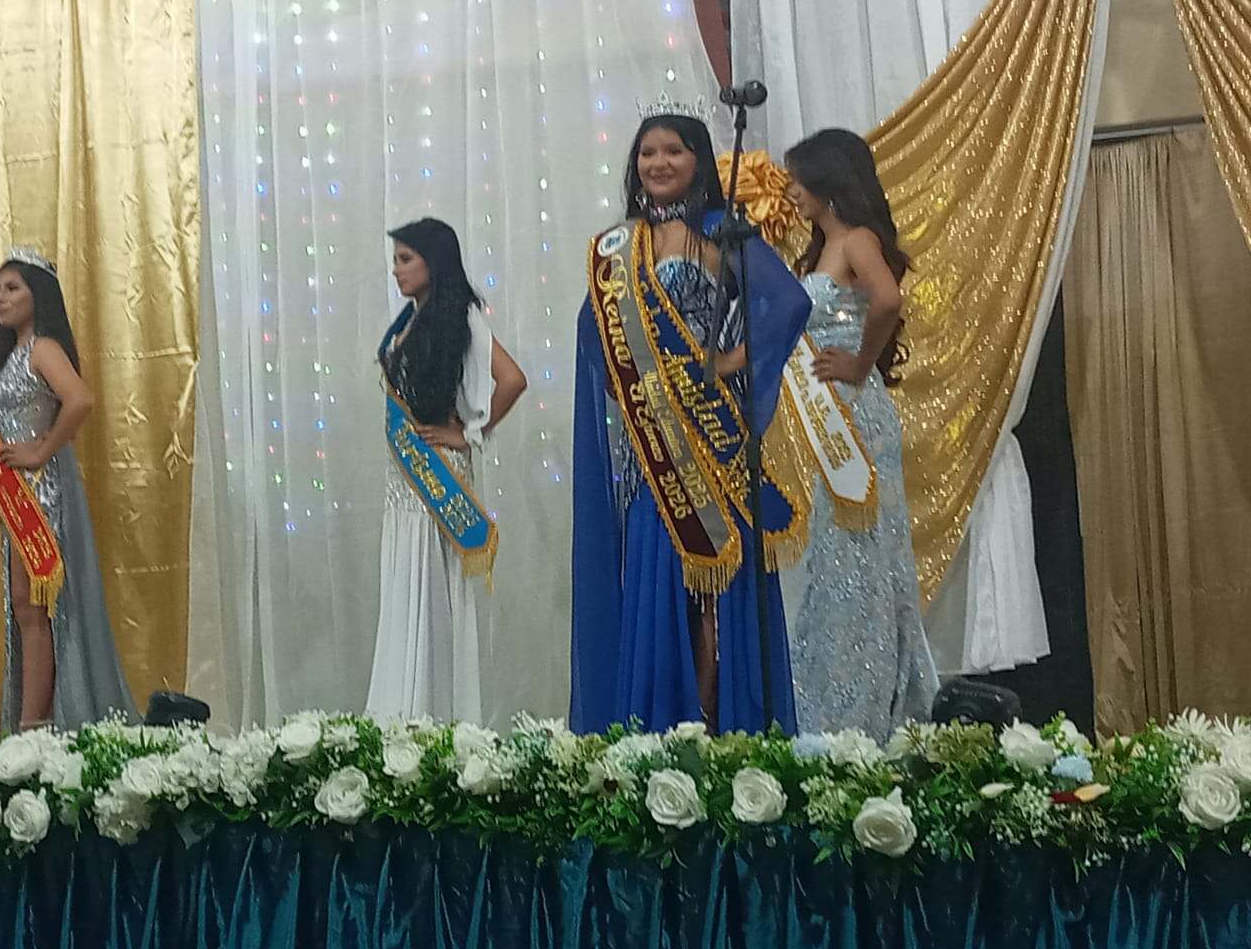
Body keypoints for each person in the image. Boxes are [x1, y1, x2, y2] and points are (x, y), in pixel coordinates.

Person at [571, 107, 812, 735]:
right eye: (647, 152)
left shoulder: (719, 231)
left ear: (699, 160)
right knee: (657, 586)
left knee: (711, 596)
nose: (659, 163)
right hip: (649, 448)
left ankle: (713, 728)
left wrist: (729, 360)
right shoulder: (620, 246)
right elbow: (595, 333)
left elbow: (788, 303)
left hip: (707, 438)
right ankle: (658, 730)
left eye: (673, 151)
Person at [779, 128, 938, 739]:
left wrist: (860, 363)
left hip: (855, 417)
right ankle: (831, 695)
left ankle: (864, 707)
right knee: (836, 557)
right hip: (826, 417)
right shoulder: (823, 247)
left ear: (826, 181)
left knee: (863, 555)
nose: (792, 192)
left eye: (798, 180)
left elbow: (887, 299)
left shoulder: (858, 239)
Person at [365, 218, 527, 723]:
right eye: (395, 260)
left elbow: (512, 379)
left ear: (433, 262)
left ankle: (435, 712)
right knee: (405, 583)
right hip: (404, 480)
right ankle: (402, 708)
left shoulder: (462, 318)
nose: (396, 270)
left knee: (433, 585)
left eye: (405, 259)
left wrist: (472, 432)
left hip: (438, 471)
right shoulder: (410, 319)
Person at [0, 247, 138, 731]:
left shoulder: (43, 348)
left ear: (39, 295)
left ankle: (37, 723)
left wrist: (42, 449)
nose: (0, 298)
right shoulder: (12, 355)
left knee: (36, 605)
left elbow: (80, 399)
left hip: (40, 492)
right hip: (16, 496)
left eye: (13, 288)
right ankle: (34, 718)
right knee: (25, 607)